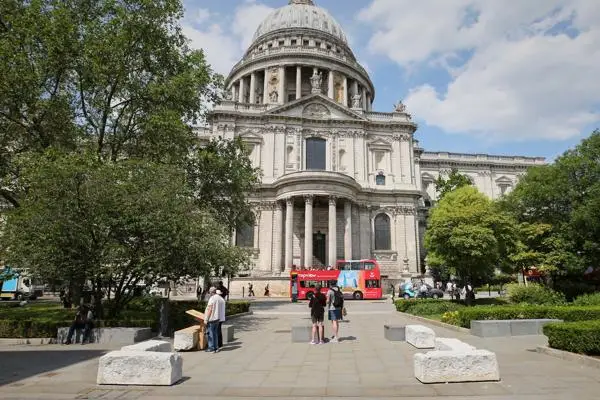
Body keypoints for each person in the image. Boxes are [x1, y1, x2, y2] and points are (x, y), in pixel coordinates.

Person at [204, 287, 225, 353]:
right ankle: (216, 347)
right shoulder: (220, 298)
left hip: (212, 318)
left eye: (209, 292)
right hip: (218, 318)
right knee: (215, 333)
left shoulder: (212, 298)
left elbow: (210, 309)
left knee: (211, 334)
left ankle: (211, 348)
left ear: (211, 292)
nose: (209, 293)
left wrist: (206, 319)